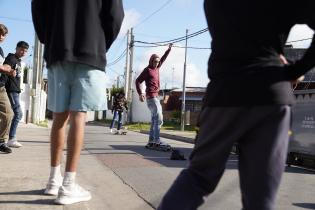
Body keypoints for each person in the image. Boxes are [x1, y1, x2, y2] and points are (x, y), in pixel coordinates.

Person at [158, 1, 315, 210]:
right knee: (260, 197)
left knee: (198, 178)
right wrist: (294, 71)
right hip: (270, 95)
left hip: (224, 93)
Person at [32, 0, 124, 205]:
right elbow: (115, 14)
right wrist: (100, 41)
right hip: (89, 50)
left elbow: (38, 8)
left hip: (57, 49)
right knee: (78, 116)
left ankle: (53, 180)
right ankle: (68, 185)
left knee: (58, 116)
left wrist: (51, 37)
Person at [135, 43, 172, 150]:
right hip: (151, 97)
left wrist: (168, 50)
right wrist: (140, 93)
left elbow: (163, 59)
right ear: (151, 61)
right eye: (155, 61)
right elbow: (138, 81)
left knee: (154, 119)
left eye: (158, 62)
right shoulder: (147, 70)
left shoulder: (158, 67)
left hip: (155, 97)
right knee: (159, 118)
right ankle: (156, 140)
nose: (156, 63)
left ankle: (151, 141)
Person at [2, 41, 29, 148]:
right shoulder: (11, 58)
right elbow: (5, 68)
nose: (23, 52)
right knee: (18, 114)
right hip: (11, 90)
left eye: (25, 51)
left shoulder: (17, 61)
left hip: (15, 90)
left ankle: (9, 138)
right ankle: (11, 139)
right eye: (21, 49)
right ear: (16, 48)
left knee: (11, 114)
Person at [0, 23, 15, 154]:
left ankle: (1, 141)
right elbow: (2, 67)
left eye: (3, 35)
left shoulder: (0, 50)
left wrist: (8, 70)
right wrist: (6, 68)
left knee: (9, 114)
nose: (1, 36)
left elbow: (4, 67)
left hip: (0, 87)